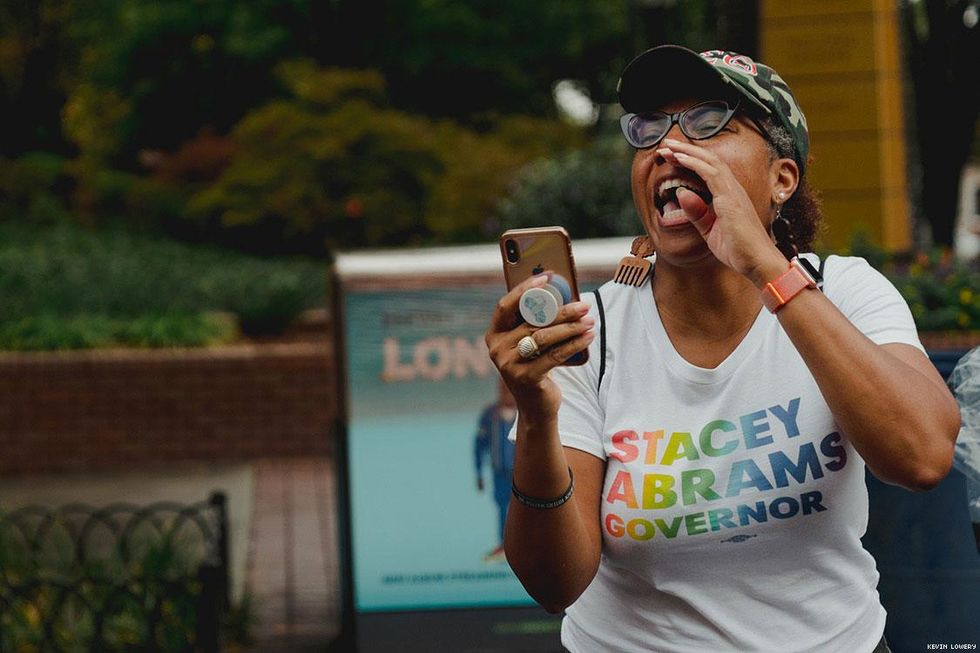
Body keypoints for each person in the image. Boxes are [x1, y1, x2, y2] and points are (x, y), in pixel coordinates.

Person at [485, 45, 960, 653]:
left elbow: (921, 458)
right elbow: (556, 585)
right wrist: (536, 414)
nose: (666, 147)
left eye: (709, 123)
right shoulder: (591, 332)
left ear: (782, 178)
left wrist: (765, 265)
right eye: (648, 129)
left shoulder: (843, 290)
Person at [474, 377, 518, 562]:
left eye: (509, 387)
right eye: (502, 388)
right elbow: (479, 446)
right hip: (499, 472)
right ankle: (504, 545)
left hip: (523, 475)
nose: (506, 391)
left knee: (527, 511)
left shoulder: (527, 412)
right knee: (502, 509)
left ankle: (524, 547)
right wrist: (479, 473)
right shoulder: (489, 415)